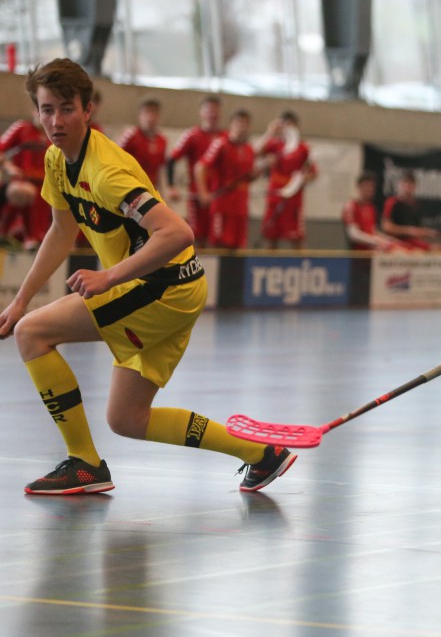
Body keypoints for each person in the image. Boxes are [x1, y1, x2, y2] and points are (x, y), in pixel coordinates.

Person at [0, 58, 296, 495]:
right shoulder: (56, 160)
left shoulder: (107, 172)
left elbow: (177, 232)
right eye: (47, 110)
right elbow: (61, 230)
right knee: (128, 419)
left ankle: (85, 463)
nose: (56, 121)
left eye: (66, 109)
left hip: (163, 287)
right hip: (176, 287)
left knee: (32, 334)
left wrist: (109, 277)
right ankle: (261, 454)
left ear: (87, 110)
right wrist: (21, 299)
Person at [166, 95, 225, 248]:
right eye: (208, 109)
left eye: (215, 110)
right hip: (197, 198)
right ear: (201, 112)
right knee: (196, 236)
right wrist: (171, 186)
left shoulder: (226, 137)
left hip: (220, 197)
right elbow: (171, 159)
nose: (212, 114)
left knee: (221, 238)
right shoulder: (193, 135)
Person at [254, 111, 317, 250]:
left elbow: (313, 173)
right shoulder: (274, 144)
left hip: (293, 199)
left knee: (296, 239)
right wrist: (269, 132)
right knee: (271, 238)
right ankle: (269, 263)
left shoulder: (303, 147)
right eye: (284, 125)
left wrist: (300, 179)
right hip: (274, 196)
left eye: (290, 125)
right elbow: (255, 152)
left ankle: (301, 263)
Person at [194, 109, 256, 250]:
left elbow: (247, 177)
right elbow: (200, 167)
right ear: (231, 124)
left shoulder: (249, 149)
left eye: (245, 124)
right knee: (219, 244)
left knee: (239, 245)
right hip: (223, 204)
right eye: (238, 123)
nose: (241, 127)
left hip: (241, 206)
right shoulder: (221, 144)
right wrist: (203, 193)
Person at [0, 111, 51, 249]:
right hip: (21, 182)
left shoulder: (55, 134)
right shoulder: (21, 128)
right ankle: (5, 232)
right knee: (22, 193)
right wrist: (10, 168)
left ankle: (34, 238)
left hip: (46, 187)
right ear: (34, 111)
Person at [381, 170, 441, 251]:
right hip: (395, 242)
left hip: (413, 243)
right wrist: (409, 231)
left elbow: (418, 231)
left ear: (415, 186)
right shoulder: (392, 202)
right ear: (399, 185)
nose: (407, 186)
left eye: (410, 184)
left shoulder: (415, 205)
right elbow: (387, 227)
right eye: (405, 183)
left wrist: (428, 233)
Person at [342, 171, 406, 251]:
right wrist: (376, 241)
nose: (369, 189)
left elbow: (373, 231)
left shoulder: (370, 207)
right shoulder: (351, 206)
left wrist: (389, 239)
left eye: (371, 186)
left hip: (373, 251)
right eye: (366, 186)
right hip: (358, 253)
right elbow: (354, 234)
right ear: (359, 186)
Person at [117, 97, 168, 191]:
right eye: (147, 112)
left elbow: (160, 171)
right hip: (130, 189)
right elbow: (115, 161)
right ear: (140, 115)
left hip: (150, 190)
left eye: (154, 113)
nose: (151, 117)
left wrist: (164, 193)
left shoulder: (162, 140)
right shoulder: (130, 136)